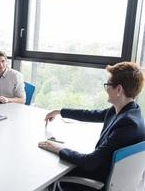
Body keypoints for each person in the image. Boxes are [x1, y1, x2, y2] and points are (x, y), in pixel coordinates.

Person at [38, 62, 145, 191]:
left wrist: (59, 149)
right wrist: (60, 111)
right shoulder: (129, 110)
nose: (106, 89)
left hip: (99, 179)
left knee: (52, 174)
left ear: (119, 90)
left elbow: (90, 162)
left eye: (107, 85)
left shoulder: (127, 125)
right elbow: (90, 114)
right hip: (105, 171)